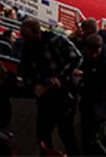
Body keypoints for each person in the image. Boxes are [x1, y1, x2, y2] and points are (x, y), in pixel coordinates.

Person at [18, 17, 81, 154]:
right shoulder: (25, 50)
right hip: (45, 98)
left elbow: (76, 57)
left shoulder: (55, 40)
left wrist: (60, 78)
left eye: (26, 36)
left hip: (65, 95)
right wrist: (35, 86)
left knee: (66, 134)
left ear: (37, 32)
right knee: (42, 135)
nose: (24, 39)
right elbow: (25, 73)